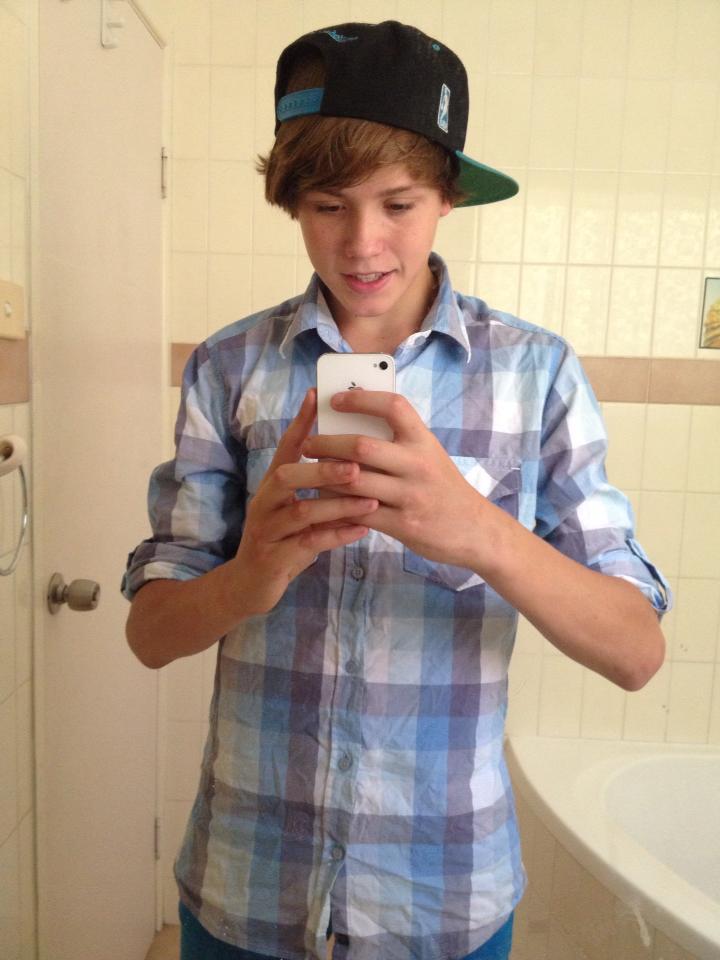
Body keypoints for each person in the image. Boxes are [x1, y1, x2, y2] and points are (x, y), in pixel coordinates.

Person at [123, 21, 669, 960]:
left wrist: (479, 531)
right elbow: (150, 636)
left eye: (399, 202)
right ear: (293, 205)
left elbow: (636, 653)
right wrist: (250, 576)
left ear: (448, 196)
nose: (363, 242)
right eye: (328, 205)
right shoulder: (229, 367)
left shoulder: (535, 373)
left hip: (443, 897)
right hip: (248, 885)